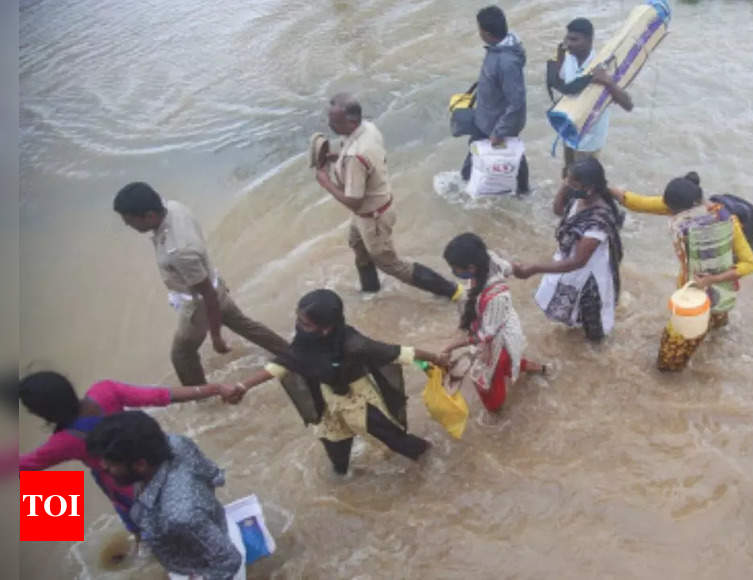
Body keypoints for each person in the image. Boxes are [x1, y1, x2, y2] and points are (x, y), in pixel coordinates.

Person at [225, 289, 443, 475]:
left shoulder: (354, 344)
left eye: (305, 324)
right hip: (329, 405)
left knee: (397, 441)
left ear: (326, 328)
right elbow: (284, 364)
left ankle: (436, 461)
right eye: (298, 319)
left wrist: (437, 359)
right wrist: (243, 386)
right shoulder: (305, 342)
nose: (299, 326)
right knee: (337, 459)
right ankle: (343, 483)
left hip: (360, 401)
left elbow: (398, 353)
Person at [18, 372, 239, 537]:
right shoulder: (105, 391)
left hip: (131, 492)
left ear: (43, 412)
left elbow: (25, 466)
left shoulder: (63, 442)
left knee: (156, 533)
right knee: (193, 511)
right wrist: (216, 388)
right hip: (158, 462)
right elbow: (163, 395)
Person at [113, 182, 291, 386]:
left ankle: (202, 398)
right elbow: (209, 288)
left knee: (182, 354)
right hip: (215, 284)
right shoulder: (174, 208)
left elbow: (207, 295)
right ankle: (291, 354)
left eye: (129, 220)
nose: (127, 225)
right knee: (245, 325)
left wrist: (215, 337)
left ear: (150, 216)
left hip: (201, 304)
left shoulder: (179, 252)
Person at [316, 93, 462, 300]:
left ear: (351, 121)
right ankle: (370, 292)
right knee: (358, 247)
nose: (330, 125)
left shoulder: (356, 157)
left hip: (371, 217)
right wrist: (337, 158)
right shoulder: (367, 129)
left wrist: (325, 181)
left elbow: (354, 201)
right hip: (375, 207)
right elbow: (363, 161)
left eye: (334, 121)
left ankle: (451, 290)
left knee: (391, 264)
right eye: (329, 119)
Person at [609, 172, 753, 370]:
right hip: (699, 289)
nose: (671, 214)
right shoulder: (685, 205)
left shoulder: (727, 222)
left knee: (669, 362)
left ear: (688, 208)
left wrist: (712, 279)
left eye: (672, 212)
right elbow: (637, 202)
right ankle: (712, 358)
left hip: (711, 291)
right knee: (715, 332)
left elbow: (750, 263)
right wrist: (603, 186)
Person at [86, 410, 246, 580]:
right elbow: (214, 475)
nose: (103, 467)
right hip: (210, 529)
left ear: (140, 465)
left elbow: (229, 561)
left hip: (204, 565)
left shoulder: (178, 517)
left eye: (111, 464)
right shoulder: (175, 443)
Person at [513, 158, 624, 341]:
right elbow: (558, 210)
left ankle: (596, 354)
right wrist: (565, 187)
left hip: (589, 275)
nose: (568, 185)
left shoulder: (598, 220)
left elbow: (577, 262)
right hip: (570, 265)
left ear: (590, 187)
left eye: (573, 182)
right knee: (575, 311)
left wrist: (534, 268)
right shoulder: (580, 198)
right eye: (567, 180)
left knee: (593, 325)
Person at [438, 233, 547, 412]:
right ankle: (541, 369)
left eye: (455, 268)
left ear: (471, 268)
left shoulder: (496, 296)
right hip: (498, 325)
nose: (454, 272)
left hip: (497, 335)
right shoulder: (488, 259)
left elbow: (484, 335)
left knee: (485, 383)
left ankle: (496, 413)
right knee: (510, 360)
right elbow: (511, 268)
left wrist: (450, 346)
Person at [546, 17, 634, 172]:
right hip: (569, 132)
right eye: (567, 38)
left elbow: (628, 105)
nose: (569, 43)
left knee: (586, 184)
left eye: (574, 39)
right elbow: (562, 84)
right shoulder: (569, 58)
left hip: (590, 140)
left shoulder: (603, 66)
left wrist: (608, 82)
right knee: (567, 174)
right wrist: (559, 56)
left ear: (589, 40)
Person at [459, 5, 530, 194]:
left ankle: (522, 193)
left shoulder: (506, 62)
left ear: (487, 33)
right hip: (487, 119)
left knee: (472, 170)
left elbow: (517, 102)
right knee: (512, 160)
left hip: (496, 125)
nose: (479, 32)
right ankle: (522, 192)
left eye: (479, 29)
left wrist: (500, 131)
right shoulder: (498, 49)